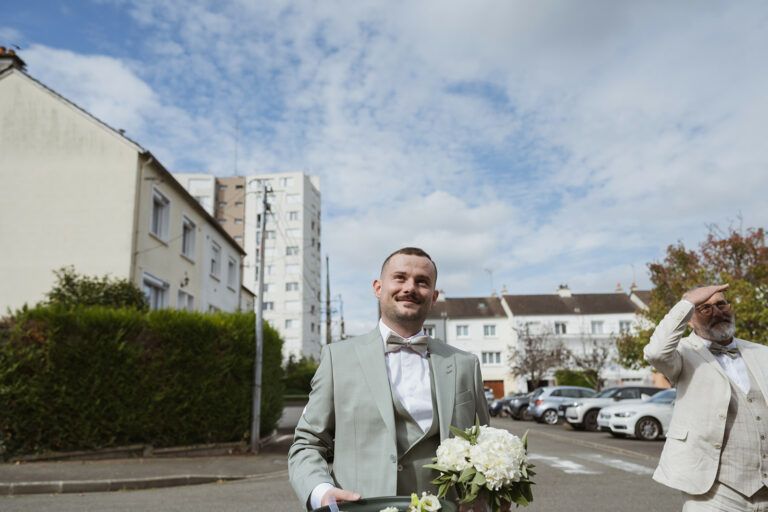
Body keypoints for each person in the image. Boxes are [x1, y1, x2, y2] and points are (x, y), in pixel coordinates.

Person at [288, 247, 490, 510]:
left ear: (434, 297)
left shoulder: (465, 364)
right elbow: (307, 443)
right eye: (400, 277)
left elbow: (484, 447)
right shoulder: (337, 359)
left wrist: (490, 498)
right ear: (378, 287)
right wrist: (321, 491)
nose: (410, 287)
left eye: (422, 282)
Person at [644, 284, 768, 511]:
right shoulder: (682, 353)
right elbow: (655, 353)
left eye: (721, 304)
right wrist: (688, 302)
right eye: (705, 308)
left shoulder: (761, 353)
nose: (717, 312)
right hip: (714, 493)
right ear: (690, 320)